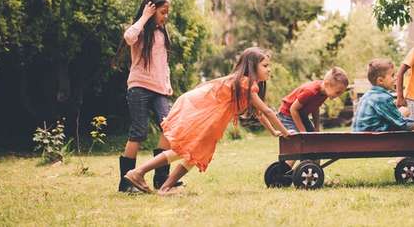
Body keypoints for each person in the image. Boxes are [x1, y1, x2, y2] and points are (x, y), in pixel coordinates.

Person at [123, 47, 291, 195]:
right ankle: (138, 172)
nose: (269, 70)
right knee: (183, 151)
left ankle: (165, 188)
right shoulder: (244, 82)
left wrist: (274, 131)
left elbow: (260, 114)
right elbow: (267, 111)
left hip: (210, 119)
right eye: (265, 66)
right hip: (202, 113)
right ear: (252, 66)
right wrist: (285, 133)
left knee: (194, 156)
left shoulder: (246, 84)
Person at [113, 0, 176, 192]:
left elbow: (163, 64)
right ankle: (126, 183)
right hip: (139, 87)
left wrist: (167, 84)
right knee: (138, 132)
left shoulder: (161, 33)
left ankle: (161, 179)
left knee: (169, 128)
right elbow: (128, 37)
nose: (165, 17)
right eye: (162, 12)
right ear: (151, 10)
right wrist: (145, 17)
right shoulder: (140, 31)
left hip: (159, 90)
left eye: (167, 13)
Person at [353, 58, 414, 133]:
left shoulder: (367, 95)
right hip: (373, 142)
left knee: (402, 113)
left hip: (361, 140)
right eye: (392, 75)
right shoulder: (383, 98)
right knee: (404, 114)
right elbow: (402, 124)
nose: (395, 78)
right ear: (380, 80)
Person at [278, 67, 349, 133]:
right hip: (287, 115)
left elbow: (315, 108)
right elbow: (293, 109)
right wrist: (303, 132)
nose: (338, 96)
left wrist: (317, 128)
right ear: (327, 84)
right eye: (337, 92)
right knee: (298, 139)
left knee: (313, 137)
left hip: (301, 115)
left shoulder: (325, 93)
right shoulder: (310, 91)